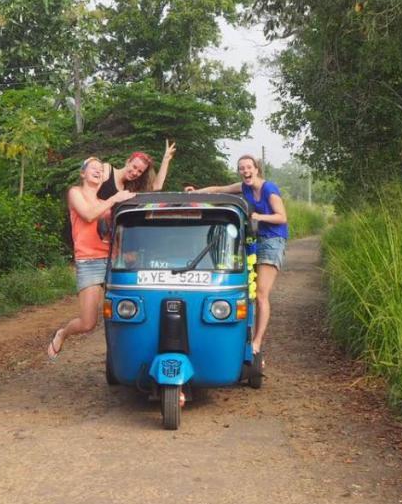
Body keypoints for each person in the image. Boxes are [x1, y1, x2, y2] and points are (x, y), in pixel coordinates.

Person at [189, 155, 288, 360]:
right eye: (242, 168)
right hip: (254, 239)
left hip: (273, 241)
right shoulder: (243, 187)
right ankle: (242, 335)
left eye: (249, 167)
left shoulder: (269, 189)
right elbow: (218, 190)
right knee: (246, 290)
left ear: (256, 169)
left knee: (261, 294)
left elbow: (282, 217)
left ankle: (257, 342)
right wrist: (195, 192)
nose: (245, 171)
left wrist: (259, 217)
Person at [48, 157, 134, 357]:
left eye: (100, 170)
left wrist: (124, 252)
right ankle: (62, 333)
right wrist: (114, 199)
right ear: (83, 174)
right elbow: (87, 215)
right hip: (89, 262)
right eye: (92, 168)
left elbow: (113, 233)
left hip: (112, 261)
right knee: (88, 323)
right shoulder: (75, 193)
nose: (97, 171)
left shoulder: (104, 202)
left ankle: (123, 358)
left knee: (126, 311)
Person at [98, 140, 176, 199]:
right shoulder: (107, 170)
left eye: (140, 171)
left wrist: (166, 160)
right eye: (134, 167)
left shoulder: (129, 187)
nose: (135, 173)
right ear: (128, 162)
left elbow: (156, 187)